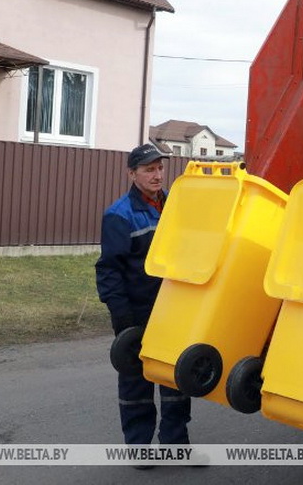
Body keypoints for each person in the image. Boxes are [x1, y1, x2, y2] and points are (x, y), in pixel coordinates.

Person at [95, 143, 191, 454]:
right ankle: (138, 447)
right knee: (136, 384)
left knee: (176, 380)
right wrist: (122, 318)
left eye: (160, 168)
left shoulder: (177, 208)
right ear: (132, 173)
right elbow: (109, 270)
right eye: (149, 169)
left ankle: (175, 444)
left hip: (174, 311)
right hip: (136, 314)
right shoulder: (119, 215)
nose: (157, 174)